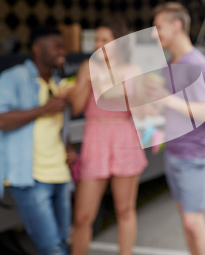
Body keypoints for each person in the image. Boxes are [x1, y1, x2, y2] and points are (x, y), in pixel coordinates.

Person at [0, 27, 76, 255]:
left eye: (63, 46)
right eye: (56, 46)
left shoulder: (58, 82)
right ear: (37, 49)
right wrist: (44, 109)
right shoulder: (13, 78)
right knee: (51, 247)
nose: (62, 51)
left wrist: (68, 147)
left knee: (64, 241)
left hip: (60, 174)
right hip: (31, 178)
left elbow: (56, 127)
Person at [146, 2, 205, 255]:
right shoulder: (168, 65)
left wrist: (166, 98)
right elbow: (173, 109)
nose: (155, 33)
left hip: (194, 154)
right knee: (186, 221)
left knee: (193, 222)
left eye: (159, 27)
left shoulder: (198, 64)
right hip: (173, 152)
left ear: (177, 26)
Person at [70, 18, 147, 255]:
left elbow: (142, 111)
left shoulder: (133, 70)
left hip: (124, 136)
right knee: (83, 216)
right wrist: (84, 82)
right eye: (96, 39)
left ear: (118, 43)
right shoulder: (87, 67)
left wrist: (128, 89)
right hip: (95, 137)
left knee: (124, 210)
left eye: (105, 39)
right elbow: (75, 108)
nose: (98, 44)